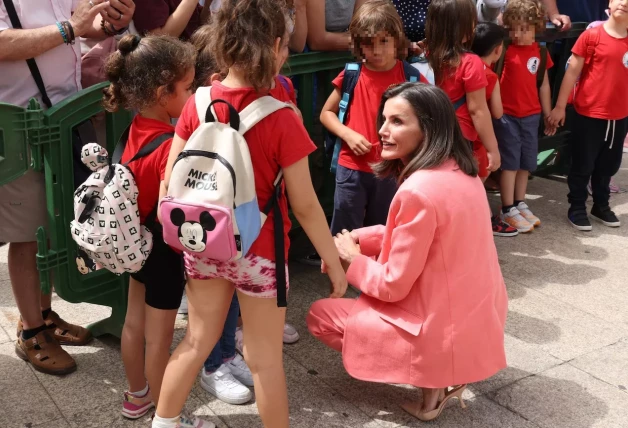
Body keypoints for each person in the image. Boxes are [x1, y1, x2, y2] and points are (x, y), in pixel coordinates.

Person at [152, 1, 348, 427]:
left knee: (196, 340)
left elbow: (170, 178)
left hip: (203, 242)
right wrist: (332, 259)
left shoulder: (198, 101)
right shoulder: (281, 118)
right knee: (264, 361)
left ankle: (163, 423)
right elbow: (305, 205)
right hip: (259, 252)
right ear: (278, 46)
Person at [307, 82, 508, 422]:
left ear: (428, 128)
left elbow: (392, 285)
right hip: (476, 315)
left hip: (437, 329)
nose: (382, 131)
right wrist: (357, 238)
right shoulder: (464, 172)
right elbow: (421, 236)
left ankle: (432, 377)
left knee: (320, 316)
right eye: (384, 120)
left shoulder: (418, 189)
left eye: (397, 122)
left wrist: (352, 259)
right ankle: (439, 382)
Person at [0, 0, 134, 377]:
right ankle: (31, 332)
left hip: (66, 117)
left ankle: (42, 314)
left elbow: (83, 26)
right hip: (19, 125)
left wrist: (111, 24)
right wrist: (68, 29)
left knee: (56, 224)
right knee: (28, 234)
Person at [102, 34, 196, 419]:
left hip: (133, 242)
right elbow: (168, 210)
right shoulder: (169, 144)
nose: (193, 95)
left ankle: (137, 394)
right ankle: (165, 413)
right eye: (189, 87)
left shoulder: (132, 129)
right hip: (161, 251)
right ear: (163, 93)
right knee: (159, 338)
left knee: (133, 324)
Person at [321, 0, 429, 248]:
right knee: (345, 232)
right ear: (359, 45)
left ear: (397, 40)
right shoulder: (351, 74)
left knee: (383, 230)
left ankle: (373, 278)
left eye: (384, 41)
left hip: (393, 170)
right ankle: (343, 280)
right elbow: (327, 113)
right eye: (369, 43)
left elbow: (431, 116)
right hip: (351, 168)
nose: (377, 50)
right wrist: (347, 134)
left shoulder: (410, 77)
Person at [188, 26, 254, 407]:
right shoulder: (200, 109)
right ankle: (213, 366)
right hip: (206, 231)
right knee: (211, 312)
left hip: (227, 227)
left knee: (230, 302)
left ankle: (226, 355)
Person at [549, 0, 628, 231]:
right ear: (610, 3)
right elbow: (572, 71)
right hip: (589, 114)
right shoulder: (592, 36)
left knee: (609, 164)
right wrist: (560, 106)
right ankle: (577, 207)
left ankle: (601, 205)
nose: (624, 3)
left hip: (619, 116)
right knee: (583, 163)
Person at [495, 0, 556, 233]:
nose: (518, 34)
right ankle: (507, 207)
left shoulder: (540, 51)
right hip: (507, 115)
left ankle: (520, 202)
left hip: (531, 116)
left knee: (526, 163)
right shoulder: (504, 50)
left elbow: (544, 85)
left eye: (524, 28)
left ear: (536, 27)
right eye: (514, 28)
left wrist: (547, 111)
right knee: (510, 163)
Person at [425, 0, 501, 178]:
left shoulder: (427, 55)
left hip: (430, 133)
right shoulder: (470, 62)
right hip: (459, 137)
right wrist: (493, 149)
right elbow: (478, 110)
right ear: (462, 27)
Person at [470, 22, 519, 237]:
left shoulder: (458, 65)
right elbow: (497, 112)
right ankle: (484, 220)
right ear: (498, 49)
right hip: (479, 137)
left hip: (456, 134)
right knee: (476, 183)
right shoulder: (490, 76)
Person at [132, 0, 203, 39]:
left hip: (197, 56)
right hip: (176, 61)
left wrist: (208, 5)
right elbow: (159, 40)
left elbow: (199, 23)